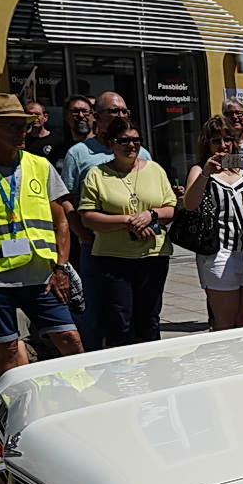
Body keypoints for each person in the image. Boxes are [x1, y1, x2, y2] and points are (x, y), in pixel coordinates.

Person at [0, 93, 85, 381]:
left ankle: (83, 400)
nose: (20, 131)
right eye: (11, 125)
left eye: (23, 125)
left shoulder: (39, 165)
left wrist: (61, 267)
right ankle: (17, 413)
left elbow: (61, 219)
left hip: (41, 275)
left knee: (71, 339)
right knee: (7, 350)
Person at [78, 115, 177, 346]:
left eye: (136, 140)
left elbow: (171, 209)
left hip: (153, 256)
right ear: (110, 143)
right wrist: (127, 221)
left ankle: (150, 372)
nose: (131, 145)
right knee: (119, 321)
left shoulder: (155, 170)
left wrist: (150, 215)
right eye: (124, 140)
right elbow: (88, 217)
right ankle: (121, 375)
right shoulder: (97, 174)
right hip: (113, 259)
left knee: (149, 321)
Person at [183, 116, 243, 330]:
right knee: (225, 322)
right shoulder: (199, 170)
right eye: (216, 140)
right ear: (206, 144)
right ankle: (225, 363)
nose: (223, 145)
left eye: (228, 139)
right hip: (218, 253)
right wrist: (206, 173)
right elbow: (190, 205)